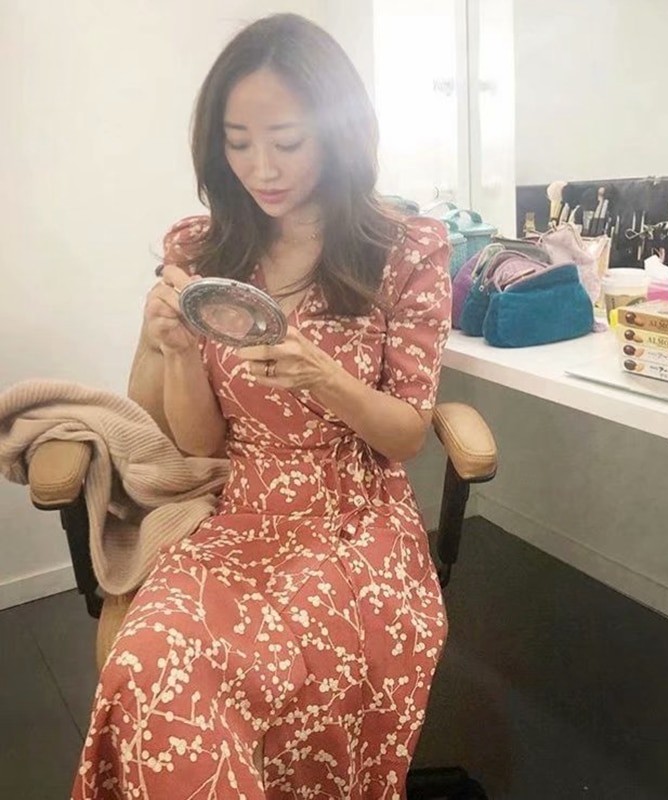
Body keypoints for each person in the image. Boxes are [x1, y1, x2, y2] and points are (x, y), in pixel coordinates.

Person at [72, 13, 451, 800]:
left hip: (353, 509)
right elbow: (201, 443)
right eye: (238, 143)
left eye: (286, 140)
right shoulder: (201, 249)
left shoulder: (406, 248)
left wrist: (325, 379)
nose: (262, 168)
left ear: (338, 132)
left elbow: (407, 435)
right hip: (238, 504)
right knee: (152, 658)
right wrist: (177, 351)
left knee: (296, 659)